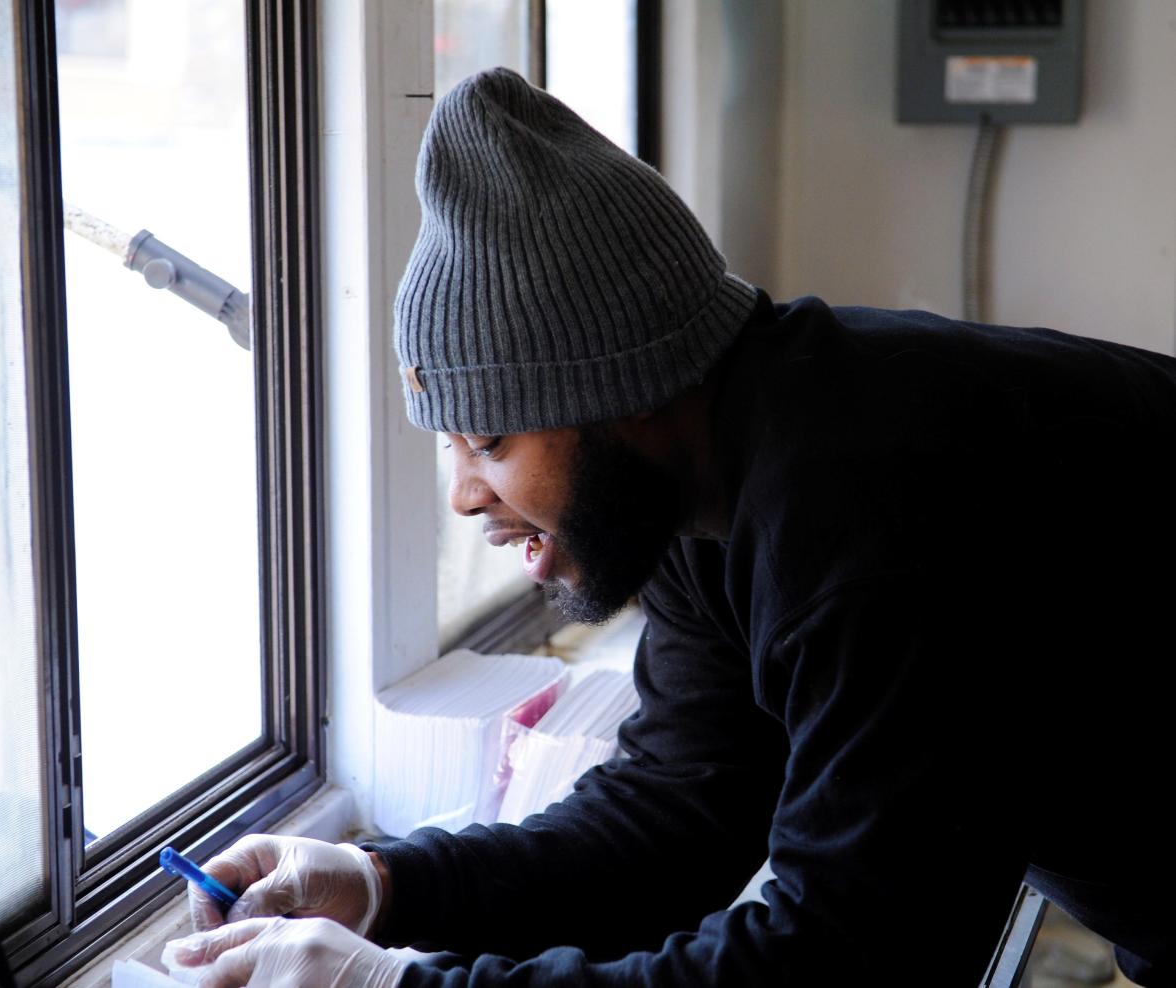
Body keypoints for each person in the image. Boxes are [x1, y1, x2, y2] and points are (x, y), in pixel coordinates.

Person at [164, 68, 1176, 987]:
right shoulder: (704, 487)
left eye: (488, 436)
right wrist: (384, 885)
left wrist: (395, 987)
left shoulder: (866, 510)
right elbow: (680, 814)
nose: (466, 494)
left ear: (622, 390)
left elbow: (849, 959)